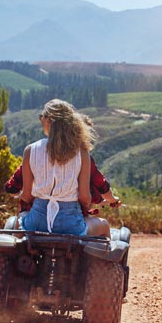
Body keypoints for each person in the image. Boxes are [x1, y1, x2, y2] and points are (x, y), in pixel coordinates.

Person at [19, 99, 111, 237]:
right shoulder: (82, 152)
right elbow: (85, 197)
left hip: (37, 222)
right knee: (104, 226)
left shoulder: (30, 150)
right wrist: (85, 209)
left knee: (18, 222)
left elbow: (26, 196)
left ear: (48, 120)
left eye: (41, 117)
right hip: (70, 224)